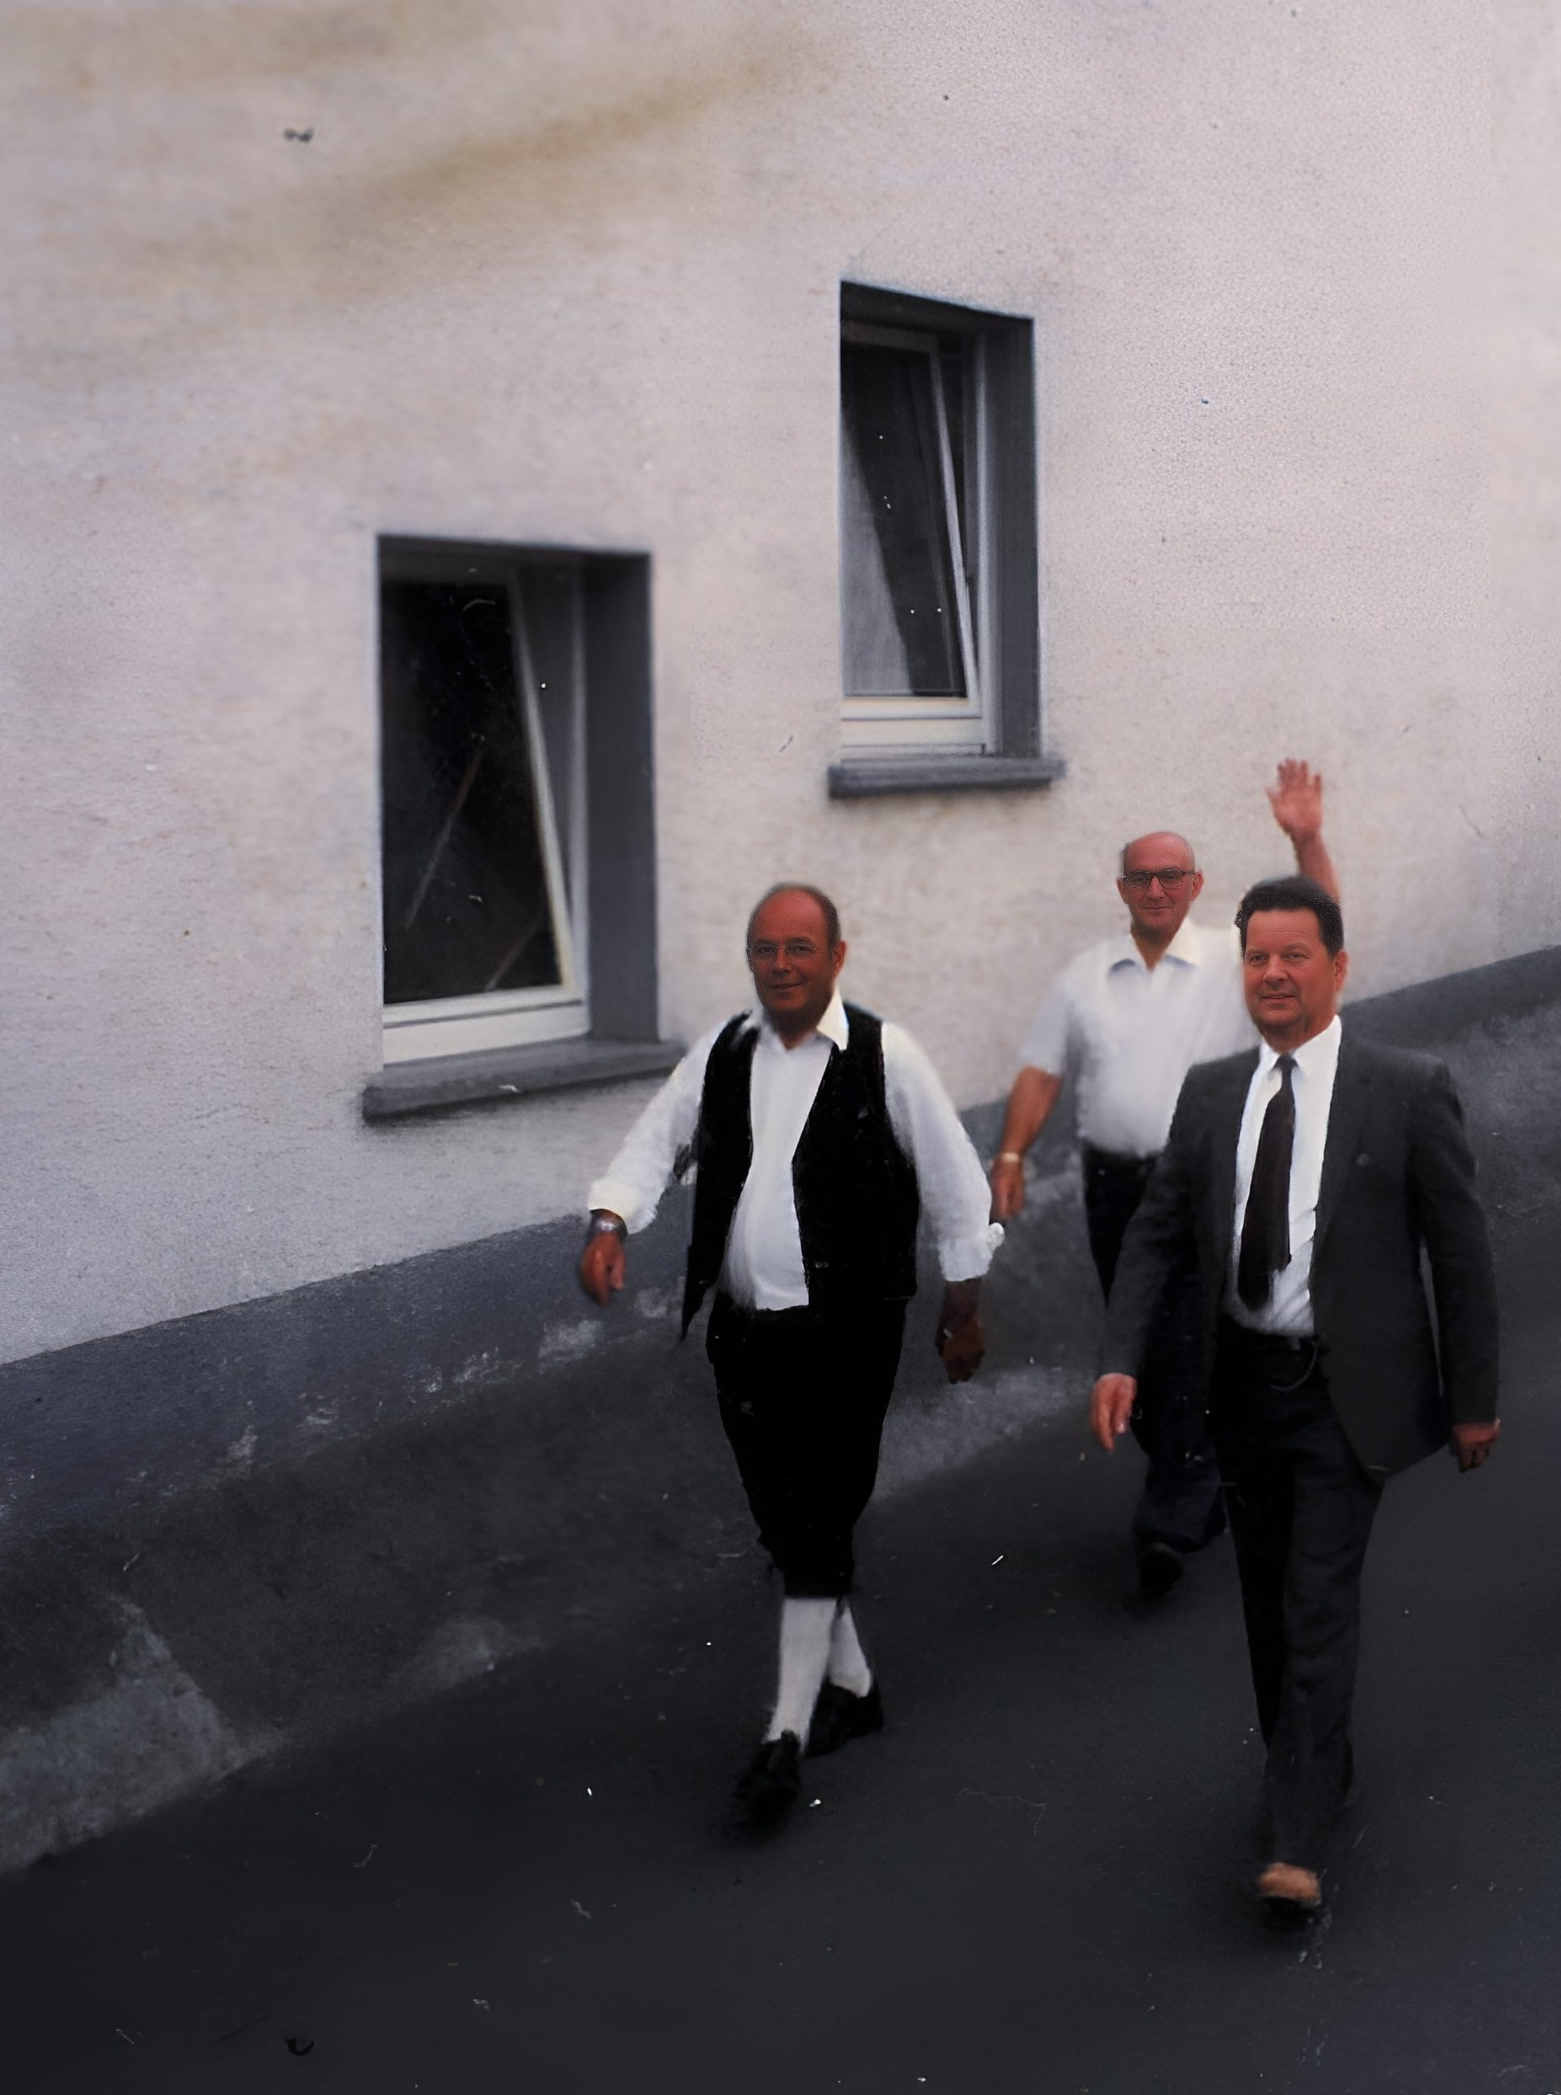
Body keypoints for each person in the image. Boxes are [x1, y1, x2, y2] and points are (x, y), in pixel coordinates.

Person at [1091, 876, 1500, 1921]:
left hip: (1342, 1394)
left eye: (1294, 956)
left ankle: (1296, 1838)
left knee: (1317, 1602)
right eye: (1257, 958)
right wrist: (1120, 1357)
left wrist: (1473, 1397)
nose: (1273, 974)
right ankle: (1317, 1766)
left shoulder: (1405, 1088)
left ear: (1338, 967)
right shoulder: (1212, 1092)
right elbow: (1154, 1234)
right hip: (1240, 1385)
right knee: (1267, 1604)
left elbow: (1459, 1253)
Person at [580, 883, 998, 1836]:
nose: (782, 965)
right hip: (742, 1334)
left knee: (817, 1518)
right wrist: (610, 1222)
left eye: (800, 948)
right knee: (788, 1522)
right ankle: (855, 1688)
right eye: (766, 949)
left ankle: (785, 1735)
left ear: (836, 957)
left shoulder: (886, 1055)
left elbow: (957, 1190)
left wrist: (962, 1311)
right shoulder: (724, 1052)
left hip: (847, 1334)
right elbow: (655, 1142)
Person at [995, 764, 1339, 1600]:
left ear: (1196, 885)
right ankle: (1201, 1474)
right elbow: (1042, 1070)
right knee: (1138, 1338)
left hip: (1205, 1177)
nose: (1156, 889)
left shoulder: (1231, 957)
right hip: (1113, 1188)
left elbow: (1318, 939)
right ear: (1122, 888)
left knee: (1183, 1337)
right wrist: (1010, 1156)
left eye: (1171, 876)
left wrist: (1305, 839)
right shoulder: (1085, 976)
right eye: (1142, 877)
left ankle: (1170, 1516)